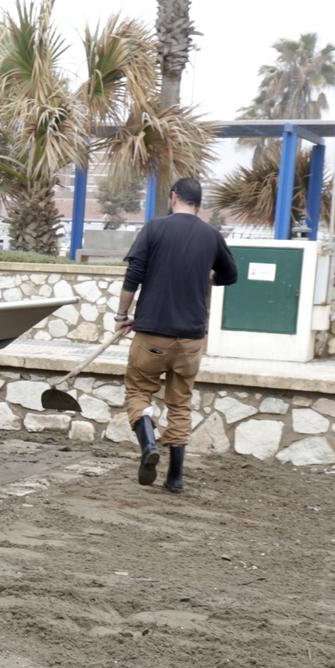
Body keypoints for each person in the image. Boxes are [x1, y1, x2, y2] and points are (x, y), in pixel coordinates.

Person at [115, 176, 238, 493]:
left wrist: (122, 316)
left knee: (139, 391)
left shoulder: (155, 228)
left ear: (173, 197)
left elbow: (134, 274)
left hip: (152, 333)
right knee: (180, 403)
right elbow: (230, 274)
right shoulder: (211, 235)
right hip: (190, 339)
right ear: (199, 204)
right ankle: (175, 478)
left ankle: (148, 445)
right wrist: (206, 275)